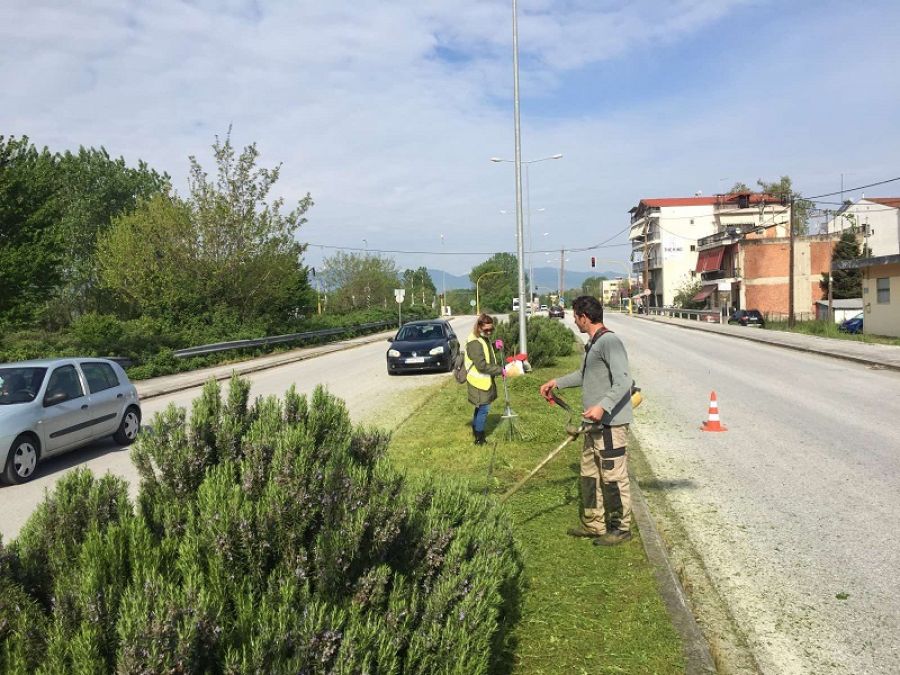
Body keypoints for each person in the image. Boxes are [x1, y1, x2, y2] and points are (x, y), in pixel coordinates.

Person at [539, 295, 634, 546]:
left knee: (613, 478)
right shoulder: (593, 344)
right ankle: (594, 524)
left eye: (575, 316)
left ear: (585, 317)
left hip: (610, 425)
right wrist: (556, 383)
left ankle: (620, 528)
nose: (574, 321)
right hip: (592, 426)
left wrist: (602, 407)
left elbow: (624, 381)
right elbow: (584, 374)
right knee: (590, 474)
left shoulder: (610, 342)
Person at [465, 313, 504, 445]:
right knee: (484, 409)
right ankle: (479, 439)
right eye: (486, 329)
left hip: (483, 380)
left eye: (491, 329)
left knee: (480, 407)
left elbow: (485, 351)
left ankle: (476, 430)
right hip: (478, 381)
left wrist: (494, 345)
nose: (488, 332)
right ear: (479, 327)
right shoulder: (474, 342)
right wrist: (501, 370)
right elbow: (481, 365)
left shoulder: (482, 339)